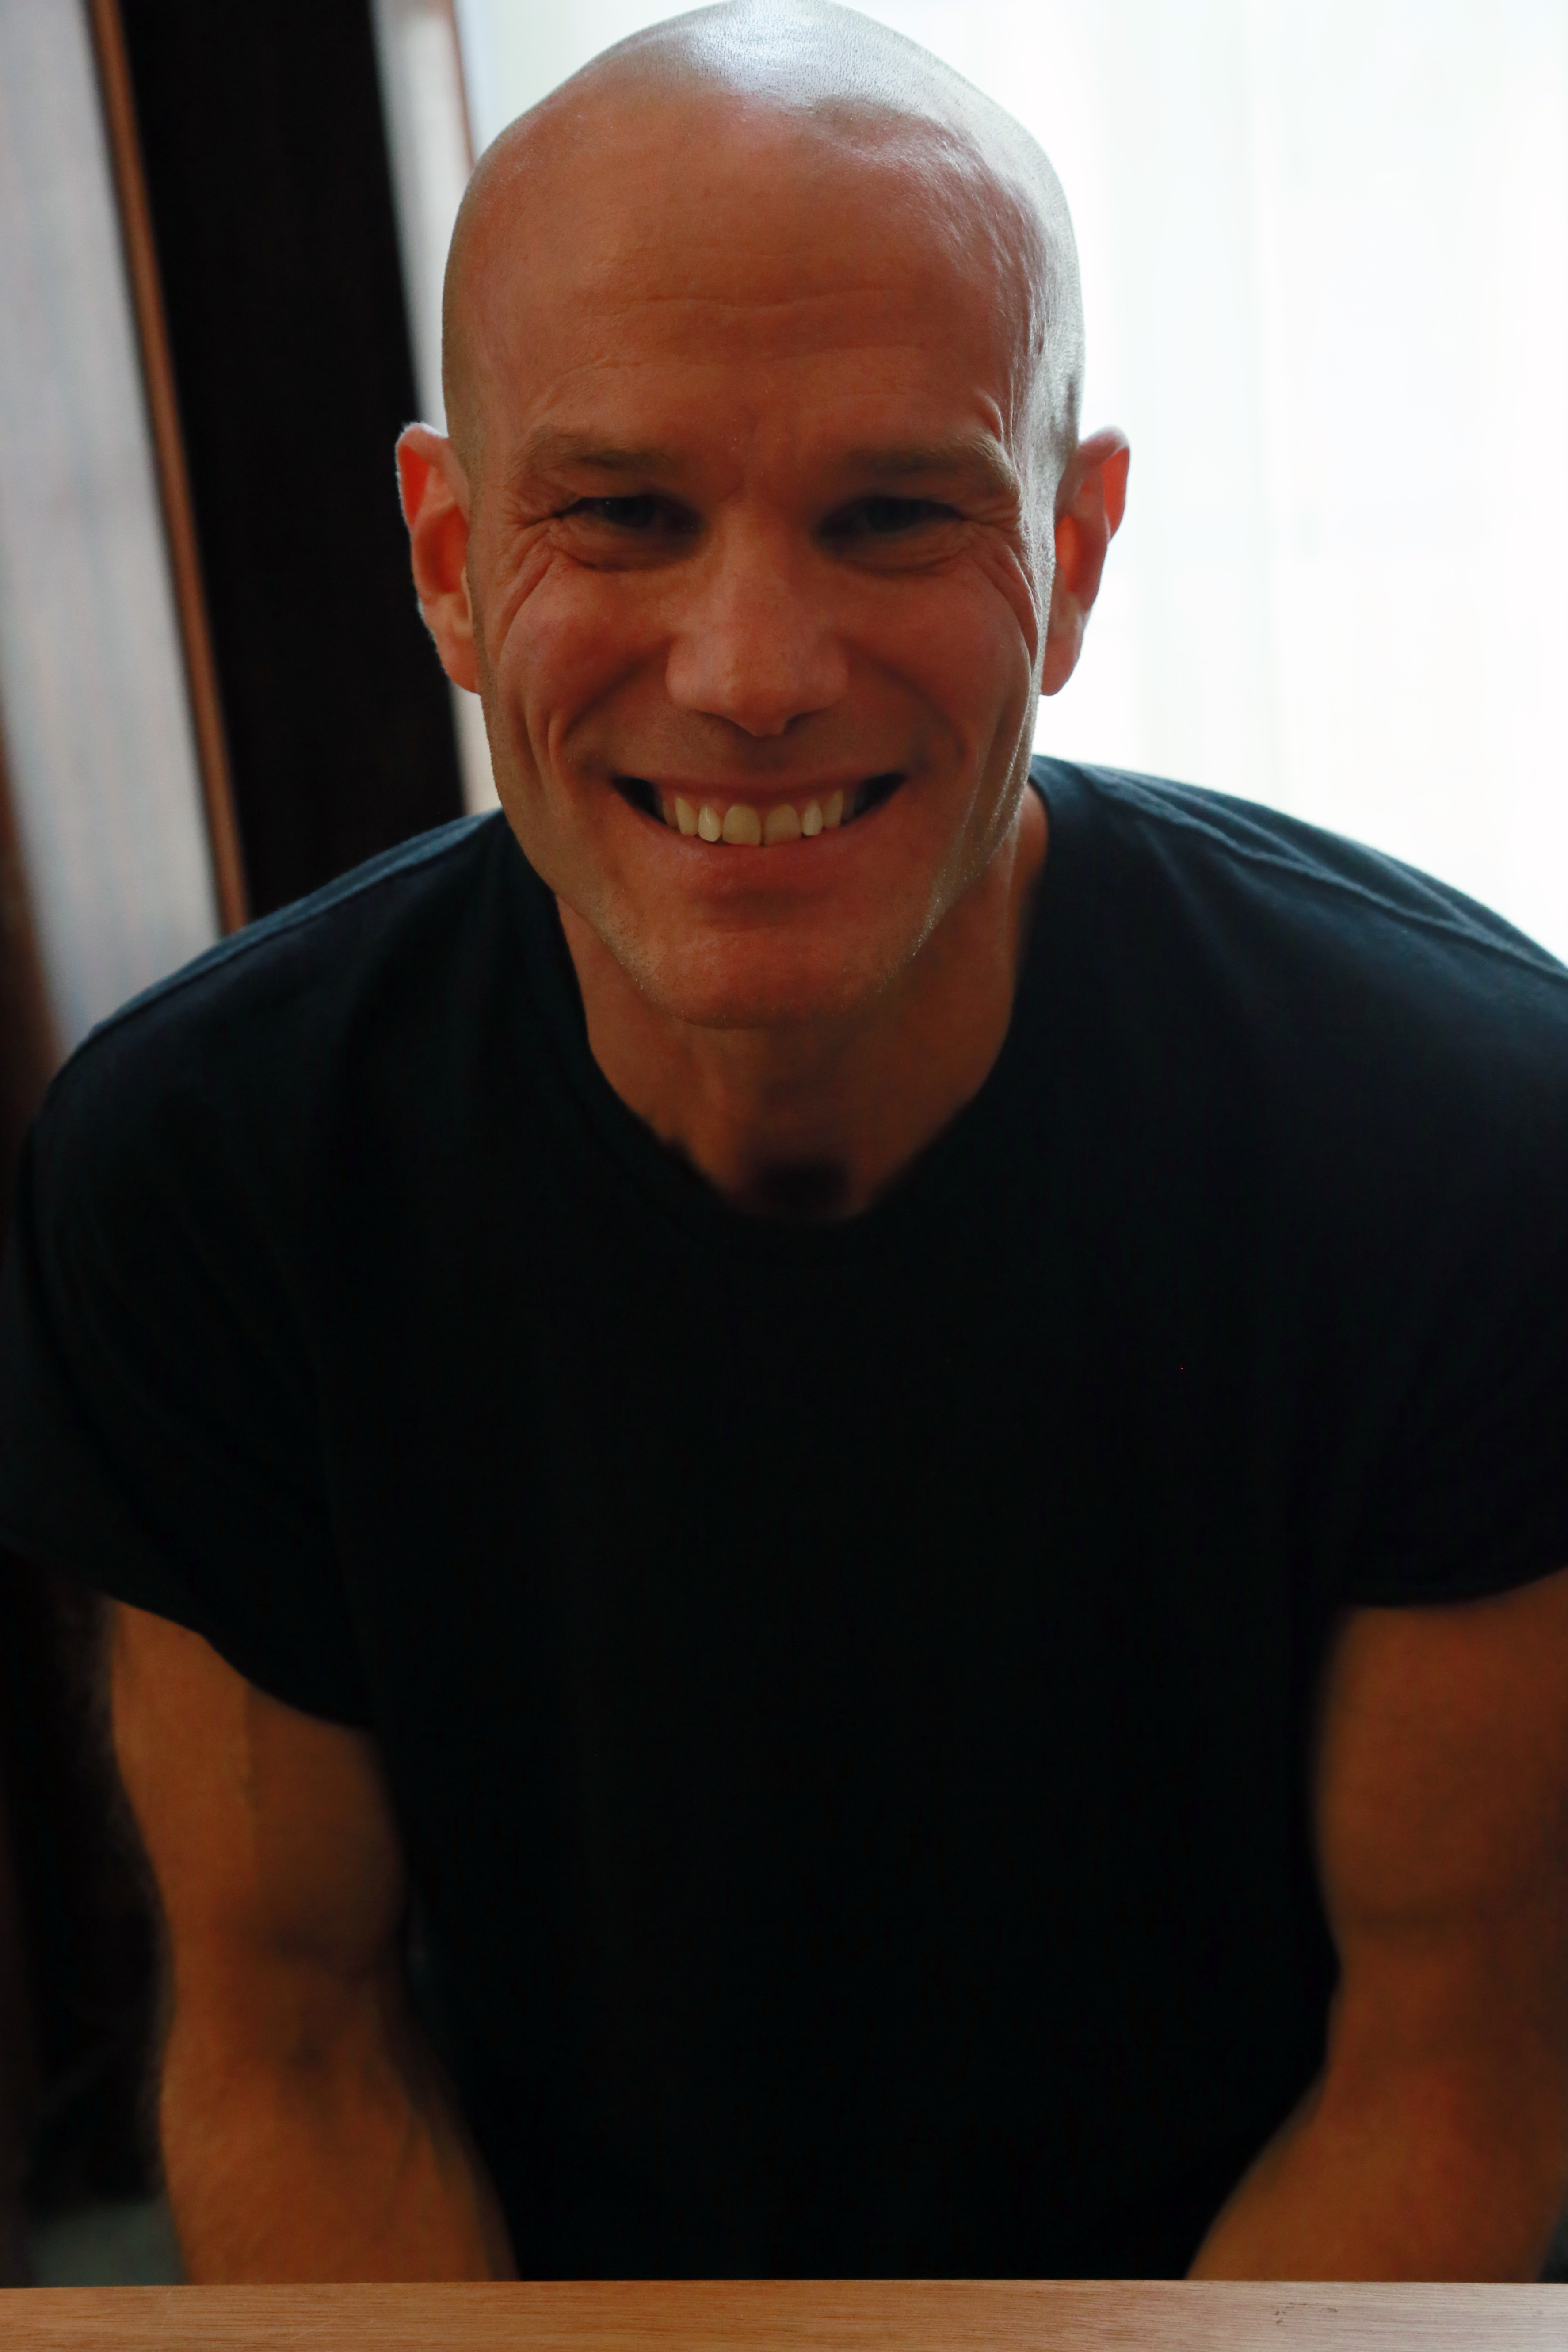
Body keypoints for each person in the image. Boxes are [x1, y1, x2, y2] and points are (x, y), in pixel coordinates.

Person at [3, 0, 1568, 2287]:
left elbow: (1448, 2078)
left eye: (894, 514)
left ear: (1075, 547)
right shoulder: (202, 1180)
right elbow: (300, 2050)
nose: (752, 669)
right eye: (623, 517)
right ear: (450, 556)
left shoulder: (1473, 1145)